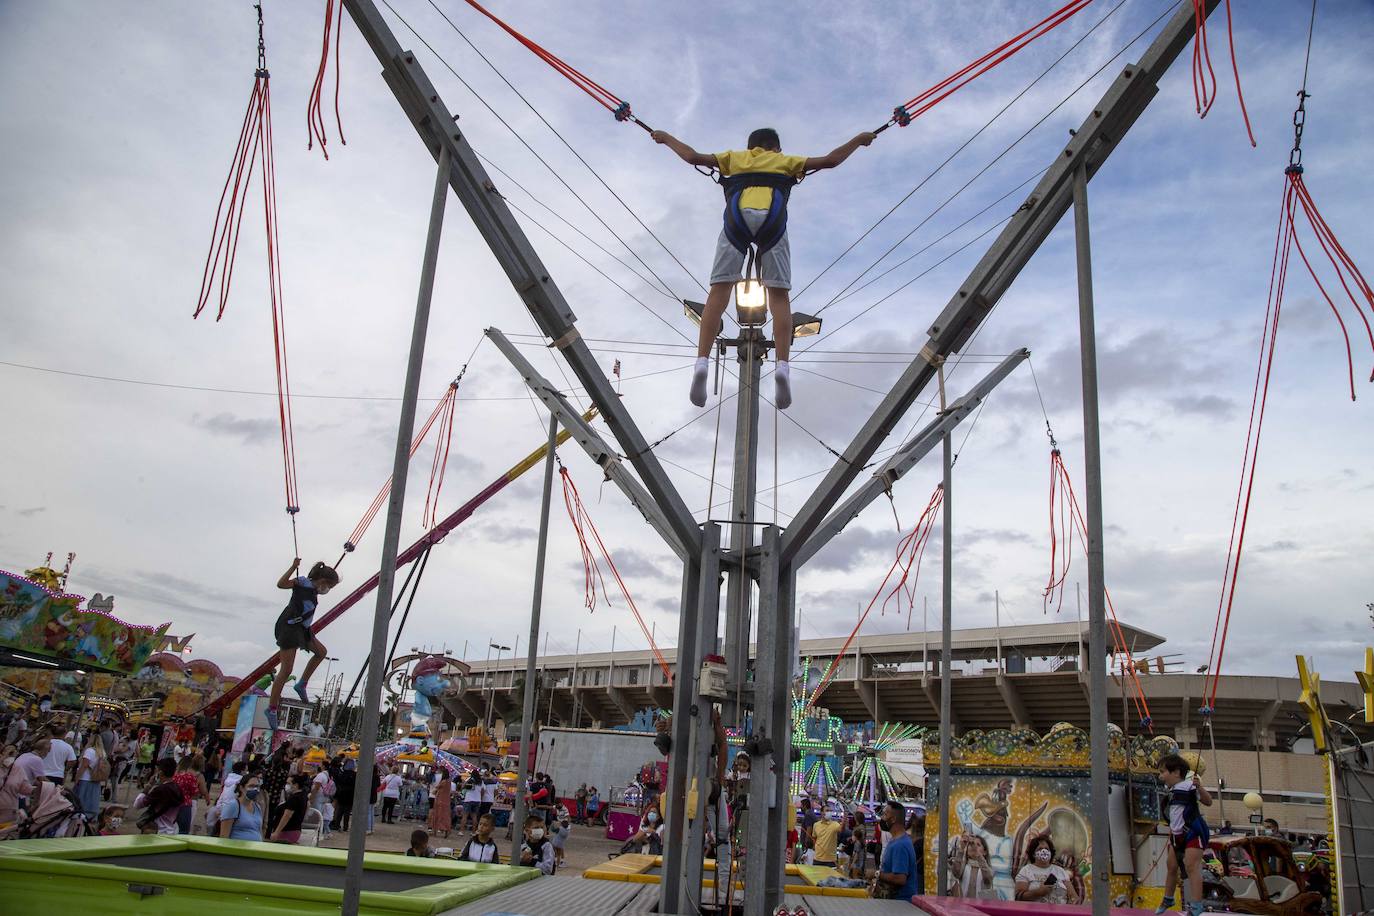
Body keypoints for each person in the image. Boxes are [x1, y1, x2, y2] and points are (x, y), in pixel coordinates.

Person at [651, 126, 877, 410]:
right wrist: (858, 139)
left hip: (737, 221)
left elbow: (692, 156)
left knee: (718, 293)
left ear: (751, 148)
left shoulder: (734, 158)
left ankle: (702, 361)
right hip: (773, 223)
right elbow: (830, 161)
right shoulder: (786, 162)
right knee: (779, 298)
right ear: (776, 149)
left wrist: (666, 138)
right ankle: (783, 366)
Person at [265, 558, 339, 731]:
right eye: (329, 586)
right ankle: (272, 708)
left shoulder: (314, 590)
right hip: (290, 628)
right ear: (322, 581)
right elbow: (281, 584)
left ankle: (302, 684)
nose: (328, 590)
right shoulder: (302, 582)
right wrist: (292, 567)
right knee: (286, 670)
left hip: (303, 630)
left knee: (321, 652)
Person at [1156, 752, 1213, 916]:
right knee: (1171, 866)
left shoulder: (1189, 786)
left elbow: (1208, 801)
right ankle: (1168, 898)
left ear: (1176, 772)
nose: (1161, 776)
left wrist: (1199, 787)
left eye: (1163, 772)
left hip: (1192, 833)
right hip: (1176, 834)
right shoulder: (1171, 789)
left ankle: (1196, 904)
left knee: (1191, 866)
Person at [873, 799, 920, 901]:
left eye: (885, 814)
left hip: (901, 905)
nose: (882, 818)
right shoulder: (896, 841)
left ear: (893, 819)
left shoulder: (900, 845)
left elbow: (900, 878)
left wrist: (876, 874)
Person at [1, 736, 49, 826]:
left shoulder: (17, 769)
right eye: (8, 753)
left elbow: (25, 787)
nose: (10, 757)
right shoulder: (35, 759)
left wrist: (38, 789)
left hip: (9, 810)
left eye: (13, 754)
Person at [1015, 835, 1078, 904]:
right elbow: (1018, 897)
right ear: (1033, 854)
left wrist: (1071, 904)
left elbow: (1074, 897)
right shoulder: (1026, 870)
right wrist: (1039, 892)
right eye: (1040, 849)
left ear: (1051, 853)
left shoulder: (1060, 871)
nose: (1044, 851)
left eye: (1047, 849)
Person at [134, 758, 185, 835]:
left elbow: (137, 804)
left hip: (156, 830)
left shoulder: (160, 790)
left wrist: (148, 786)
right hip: (172, 830)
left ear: (160, 772)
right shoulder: (178, 789)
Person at [218, 772, 265, 841]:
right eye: (251, 786)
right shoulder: (233, 806)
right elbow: (223, 836)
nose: (255, 789)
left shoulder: (257, 807)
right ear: (242, 788)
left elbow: (259, 831)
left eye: (257, 786)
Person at [72, 732, 109, 819]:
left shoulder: (89, 751)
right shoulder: (102, 753)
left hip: (85, 778)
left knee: (81, 800)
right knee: (92, 800)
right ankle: (91, 817)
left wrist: (77, 778)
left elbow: (84, 765)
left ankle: (79, 817)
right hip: (95, 779)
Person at [950, 832, 996, 900]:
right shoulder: (963, 866)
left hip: (981, 908)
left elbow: (987, 878)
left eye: (978, 845)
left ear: (984, 852)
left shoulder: (988, 869)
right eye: (971, 844)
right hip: (963, 907)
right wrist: (962, 849)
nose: (973, 846)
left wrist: (978, 854)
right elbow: (956, 873)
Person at [269, 773, 310, 844]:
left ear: (296, 785)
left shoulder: (294, 798)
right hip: (295, 830)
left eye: (288, 783)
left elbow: (287, 815)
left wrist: (276, 832)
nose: (286, 785)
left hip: (287, 832)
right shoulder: (303, 796)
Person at [172, 753, 206, 835]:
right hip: (186, 803)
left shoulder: (175, 775)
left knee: (172, 825)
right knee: (183, 830)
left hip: (174, 802)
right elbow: (195, 791)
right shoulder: (191, 777)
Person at [331, 757, 357, 832]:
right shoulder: (355, 775)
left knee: (340, 810)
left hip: (342, 793)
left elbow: (339, 782)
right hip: (350, 794)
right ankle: (345, 826)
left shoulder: (342, 773)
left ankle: (336, 825)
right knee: (347, 812)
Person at [428, 771, 452, 838]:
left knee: (437, 815)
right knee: (445, 816)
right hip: (446, 801)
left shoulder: (443, 782)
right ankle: (446, 830)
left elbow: (436, 788)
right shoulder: (449, 782)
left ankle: (435, 831)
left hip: (440, 800)